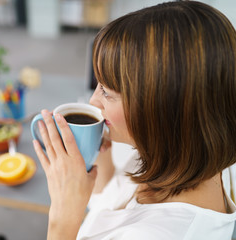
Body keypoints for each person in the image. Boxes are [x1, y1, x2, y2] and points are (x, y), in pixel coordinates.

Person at [32, 1, 236, 239]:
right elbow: (108, 200)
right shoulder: (172, 154)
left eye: (107, 92)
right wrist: (96, 150)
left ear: (160, 108)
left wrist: (62, 217)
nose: (93, 102)